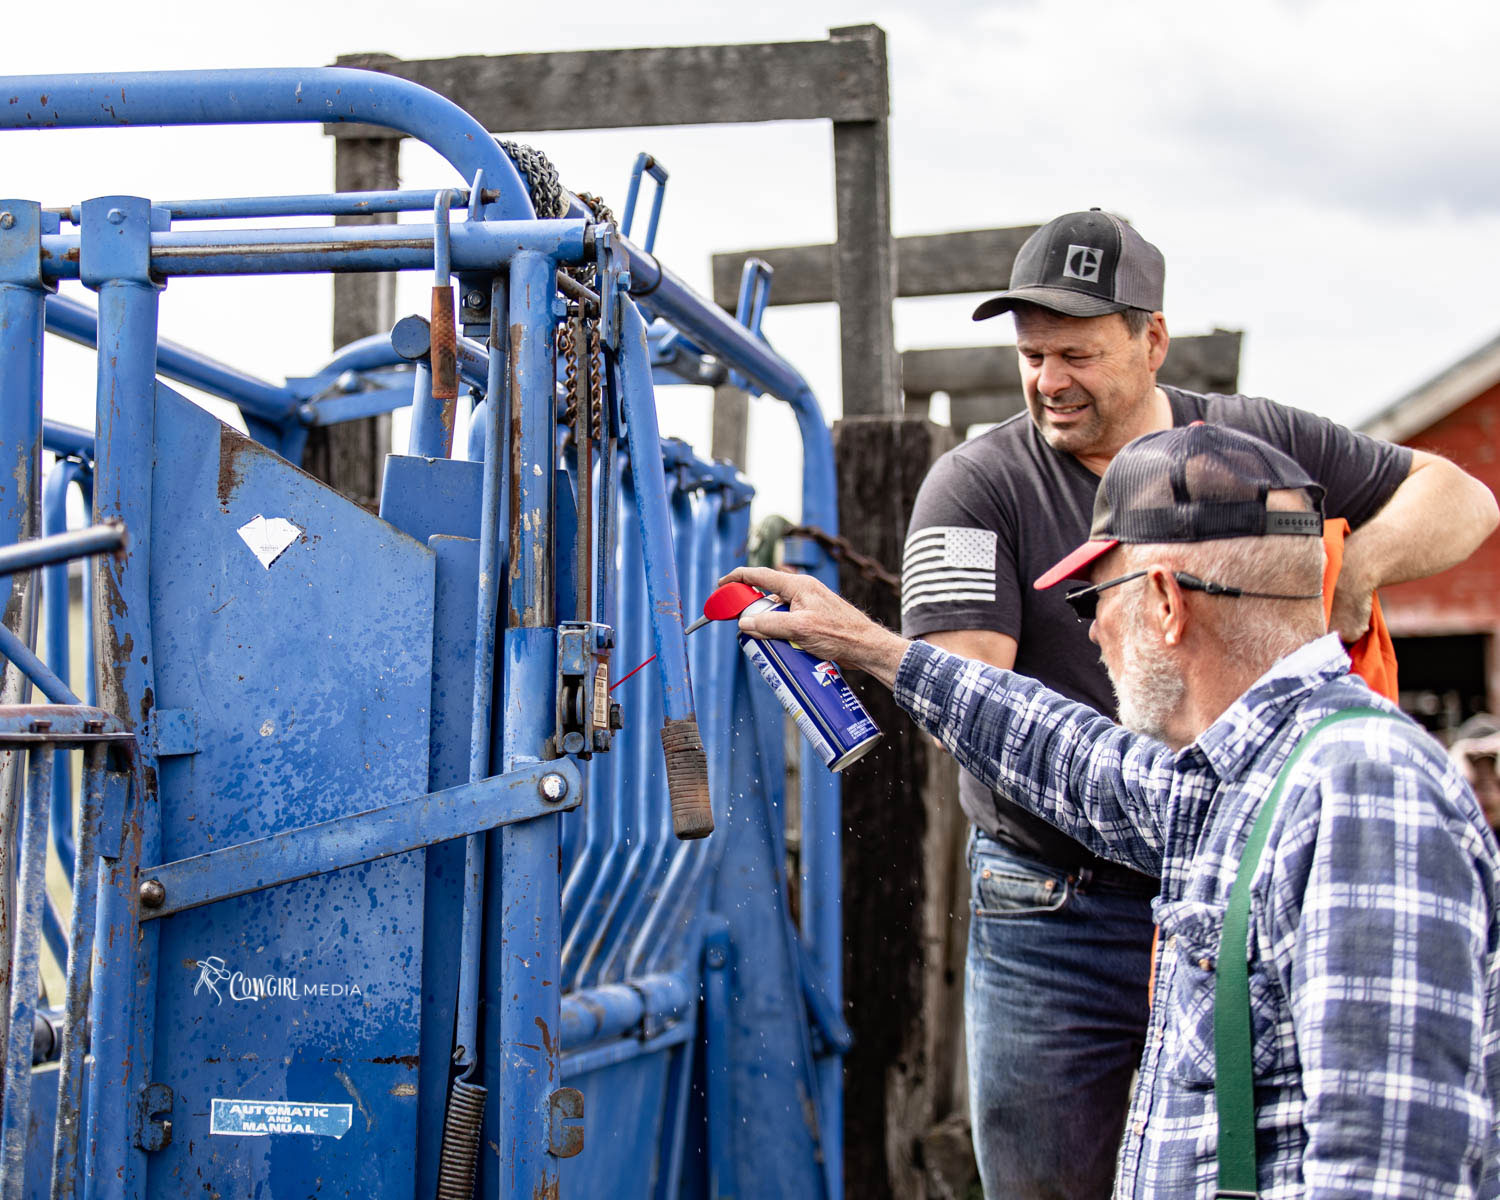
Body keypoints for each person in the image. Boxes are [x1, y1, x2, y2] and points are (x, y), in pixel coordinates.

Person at [727, 424, 1500, 1199]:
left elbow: (1390, 1175)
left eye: (1094, 597)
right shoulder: (1253, 779)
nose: (1090, 628)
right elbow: (1077, 760)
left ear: (1164, 601)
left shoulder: (1362, 795)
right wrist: (871, 647)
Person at [899, 208, 1500, 1197]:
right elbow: (972, 687)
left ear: (1154, 340)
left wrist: (1354, 577)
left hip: (1246, 869)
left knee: (1252, 1154)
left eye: (1078, 353)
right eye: (1032, 354)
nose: (1050, 380)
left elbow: (1462, 497)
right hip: (1061, 897)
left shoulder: (1253, 444)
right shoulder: (974, 485)